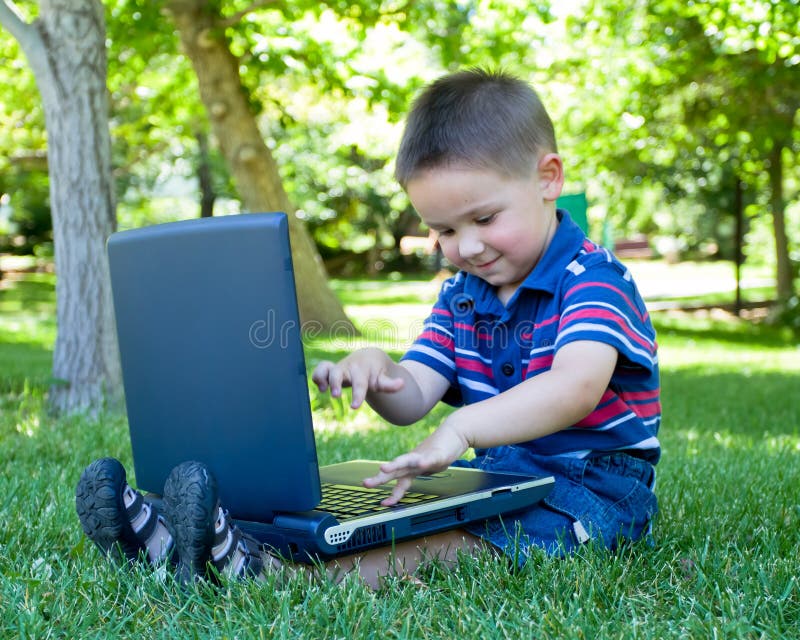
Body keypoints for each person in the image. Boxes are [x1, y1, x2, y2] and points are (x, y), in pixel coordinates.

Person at [76, 68, 660, 590]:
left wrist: (459, 429)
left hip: (592, 486)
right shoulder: (463, 292)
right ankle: (174, 542)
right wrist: (380, 372)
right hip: (495, 476)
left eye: (484, 218)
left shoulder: (592, 278)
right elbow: (415, 395)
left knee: (462, 543)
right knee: (351, 511)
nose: (468, 247)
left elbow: (574, 386)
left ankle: (273, 577)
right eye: (445, 231)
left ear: (548, 178)